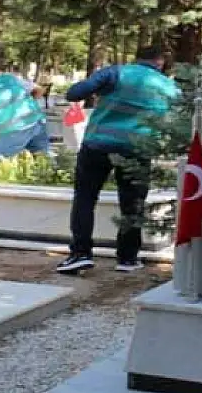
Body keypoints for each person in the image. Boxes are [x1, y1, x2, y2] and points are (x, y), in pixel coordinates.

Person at [57, 44, 180, 274]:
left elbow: (74, 93)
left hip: (97, 144)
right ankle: (128, 258)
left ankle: (80, 254)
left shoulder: (116, 72)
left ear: (137, 58)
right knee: (132, 204)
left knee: (85, 198)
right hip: (138, 149)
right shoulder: (169, 86)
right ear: (160, 62)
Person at [0, 71, 51, 158]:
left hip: (12, 129)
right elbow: (39, 90)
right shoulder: (11, 78)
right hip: (37, 122)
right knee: (42, 161)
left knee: (1, 164)